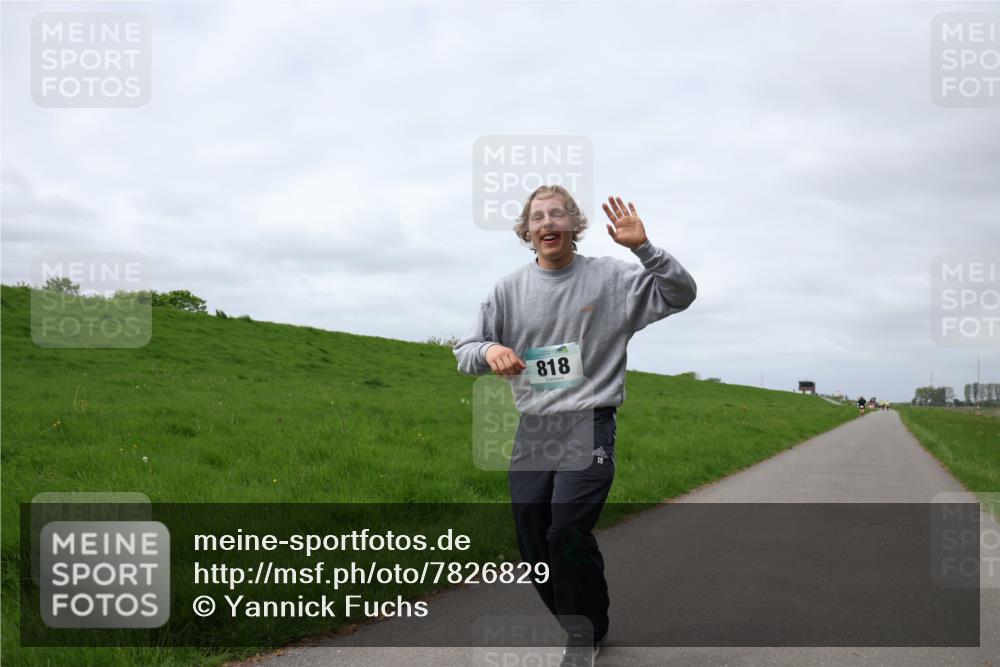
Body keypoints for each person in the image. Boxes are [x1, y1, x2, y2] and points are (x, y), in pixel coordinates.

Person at [453, 185, 697, 666]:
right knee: (533, 538)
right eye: (538, 217)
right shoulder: (507, 291)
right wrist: (488, 351)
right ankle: (577, 620)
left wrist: (644, 249)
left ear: (574, 226)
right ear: (527, 231)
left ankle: (584, 633)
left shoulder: (612, 278)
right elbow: (465, 350)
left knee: (566, 529)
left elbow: (681, 294)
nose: (548, 223)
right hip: (535, 428)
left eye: (558, 215)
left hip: (589, 421)